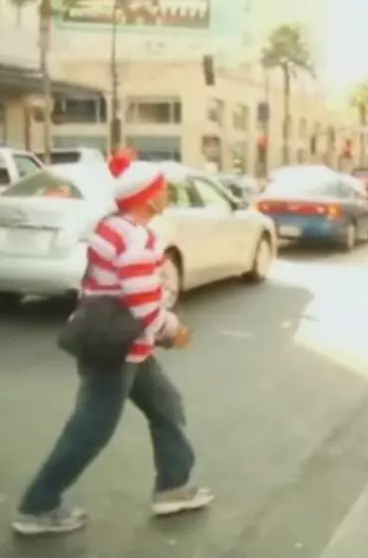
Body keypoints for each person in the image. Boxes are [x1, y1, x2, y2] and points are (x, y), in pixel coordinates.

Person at [13, 152, 212, 536]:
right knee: (91, 429)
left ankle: (173, 486)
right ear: (148, 197)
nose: (167, 195)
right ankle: (37, 506)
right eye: (163, 190)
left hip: (126, 346)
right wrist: (173, 331)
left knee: (166, 404)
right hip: (115, 349)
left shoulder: (113, 227)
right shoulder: (134, 238)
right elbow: (142, 304)